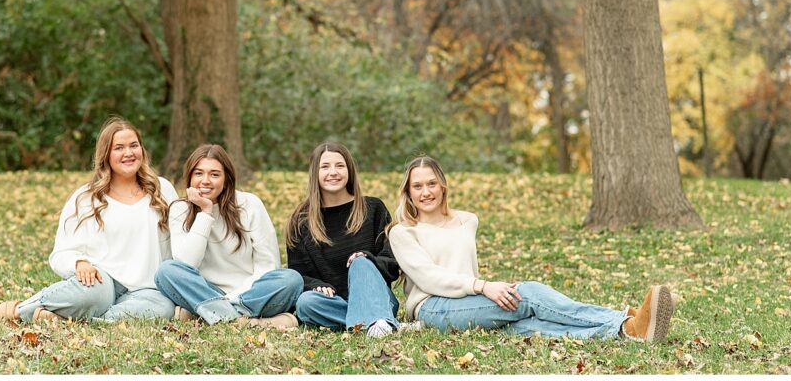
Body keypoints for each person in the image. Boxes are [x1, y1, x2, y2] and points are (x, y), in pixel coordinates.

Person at [387, 155, 677, 342]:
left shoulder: (467, 220)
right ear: (408, 192)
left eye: (432, 184)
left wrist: (482, 290)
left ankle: (625, 331)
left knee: (527, 325)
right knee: (527, 295)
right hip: (433, 309)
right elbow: (430, 278)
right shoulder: (402, 232)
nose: (426, 192)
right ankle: (625, 318)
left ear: (443, 186)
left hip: (470, 300)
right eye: (417, 186)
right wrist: (483, 286)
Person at [0, 117, 178, 324]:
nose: (128, 153)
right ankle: (18, 310)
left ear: (142, 149)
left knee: (163, 308)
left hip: (146, 290)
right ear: (106, 154)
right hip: (101, 282)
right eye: (119, 148)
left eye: (134, 145)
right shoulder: (86, 198)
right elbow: (60, 253)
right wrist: (79, 263)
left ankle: (74, 320)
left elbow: (182, 239)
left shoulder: (162, 190)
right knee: (93, 295)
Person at [154, 144, 303, 329]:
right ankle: (249, 322)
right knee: (166, 272)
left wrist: (230, 299)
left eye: (214, 174)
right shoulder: (180, 209)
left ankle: (210, 315)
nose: (205, 181)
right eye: (199, 173)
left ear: (226, 179)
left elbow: (268, 265)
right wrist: (205, 212)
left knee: (291, 280)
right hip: (203, 291)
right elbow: (187, 263)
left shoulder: (250, 204)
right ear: (190, 177)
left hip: (251, 293)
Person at [286, 141, 404, 338]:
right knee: (306, 304)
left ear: (349, 170)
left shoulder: (373, 208)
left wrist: (367, 261)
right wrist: (315, 285)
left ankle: (376, 319)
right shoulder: (301, 220)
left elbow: (391, 263)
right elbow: (297, 274)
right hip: (333, 303)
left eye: (339, 165)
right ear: (315, 173)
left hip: (377, 299)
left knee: (360, 262)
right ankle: (378, 324)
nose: (333, 172)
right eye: (325, 166)